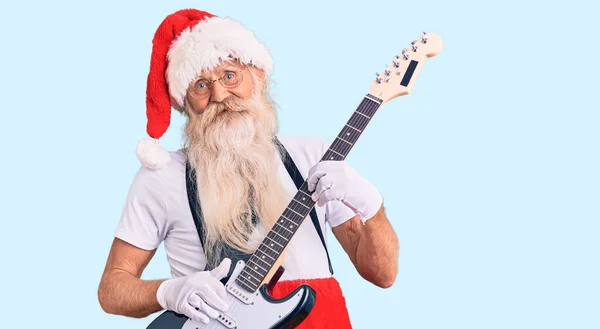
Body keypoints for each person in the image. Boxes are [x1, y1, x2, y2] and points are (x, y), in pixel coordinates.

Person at [97, 8, 399, 329]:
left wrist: (370, 204)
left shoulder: (312, 155)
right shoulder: (161, 177)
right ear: (185, 101)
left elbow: (382, 274)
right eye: (201, 85)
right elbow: (112, 290)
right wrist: (168, 291)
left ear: (258, 76)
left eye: (230, 75)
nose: (220, 95)